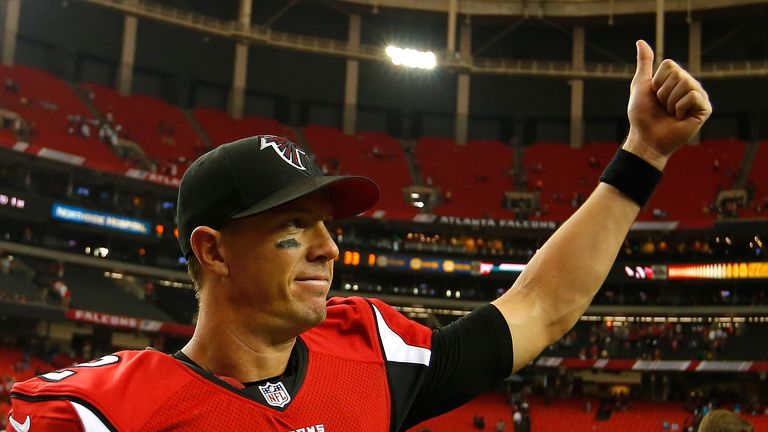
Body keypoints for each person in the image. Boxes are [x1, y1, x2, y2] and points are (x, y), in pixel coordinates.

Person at [8, 40, 711, 430]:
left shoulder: (372, 348)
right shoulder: (103, 411)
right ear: (213, 250)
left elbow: (539, 307)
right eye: (292, 225)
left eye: (327, 224)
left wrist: (643, 154)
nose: (327, 247)